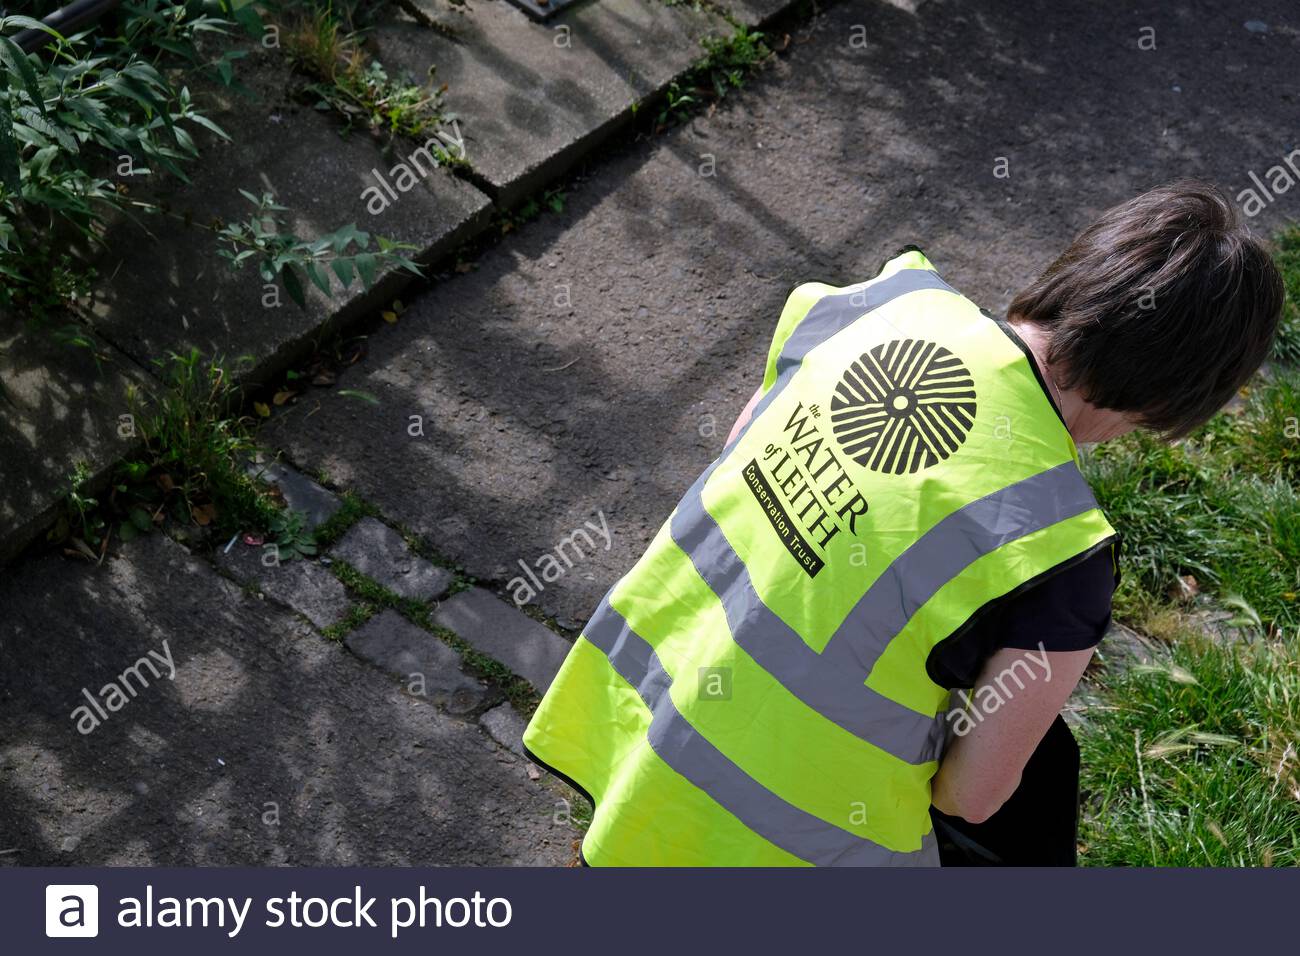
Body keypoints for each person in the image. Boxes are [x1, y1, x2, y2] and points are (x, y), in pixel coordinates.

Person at [522, 180, 1285, 866]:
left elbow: (740, 460)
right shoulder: (1063, 554)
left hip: (642, 723)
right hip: (781, 844)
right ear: (1170, 401)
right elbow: (972, 797)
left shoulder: (884, 300)